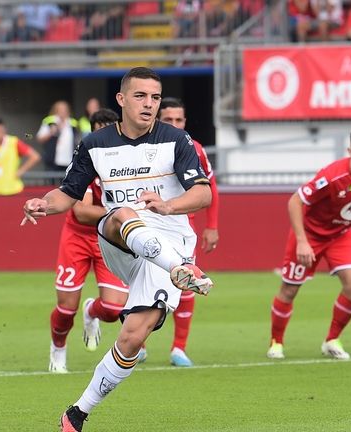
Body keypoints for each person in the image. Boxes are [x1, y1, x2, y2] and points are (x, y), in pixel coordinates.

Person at [20, 67, 213, 432]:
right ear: (121, 99)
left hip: (169, 239)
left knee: (132, 338)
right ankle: (181, 270)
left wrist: (169, 206)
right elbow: (68, 195)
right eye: (140, 96)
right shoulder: (95, 144)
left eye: (155, 97)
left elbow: (203, 193)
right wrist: (41, 203)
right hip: (121, 239)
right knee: (121, 212)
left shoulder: (176, 140)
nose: (150, 104)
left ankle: (76, 414)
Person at [267, 127, 351, 360]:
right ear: (350, 150)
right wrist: (302, 241)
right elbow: (295, 201)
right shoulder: (332, 176)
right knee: (290, 289)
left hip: (340, 235)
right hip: (309, 234)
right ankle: (276, 342)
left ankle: (331, 340)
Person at [48, 108, 131, 374]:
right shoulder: (86, 159)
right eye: (99, 129)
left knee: (112, 308)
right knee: (65, 308)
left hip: (108, 239)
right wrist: (121, 212)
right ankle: (58, 349)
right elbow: (81, 212)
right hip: (77, 238)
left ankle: (91, 311)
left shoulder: (126, 162)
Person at [157, 97, 220, 367]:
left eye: (178, 120)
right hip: (149, 225)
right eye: (168, 119)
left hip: (183, 226)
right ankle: (139, 343)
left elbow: (210, 187)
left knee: (187, 284)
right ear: (158, 120)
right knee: (145, 285)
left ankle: (179, 348)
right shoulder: (145, 148)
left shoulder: (195, 148)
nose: (174, 124)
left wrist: (212, 226)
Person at [36, 100, 80, 171]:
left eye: (65, 109)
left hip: (69, 161)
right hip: (53, 162)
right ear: (55, 110)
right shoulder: (49, 121)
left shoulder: (73, 123)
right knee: (52, 181)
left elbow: (78, 140)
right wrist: (51, 132)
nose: (63, 112)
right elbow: (39, 138)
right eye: (60, 110)